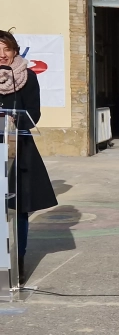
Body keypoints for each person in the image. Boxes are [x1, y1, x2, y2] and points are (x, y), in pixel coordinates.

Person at [0, 29, 58, 286]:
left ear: (14, 51)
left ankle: (17, 263)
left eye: (6, 50)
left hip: (18, 149)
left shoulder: (27, 77)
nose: (2, 55)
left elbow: (34, 113)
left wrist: (12, 119)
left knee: (18, 210)